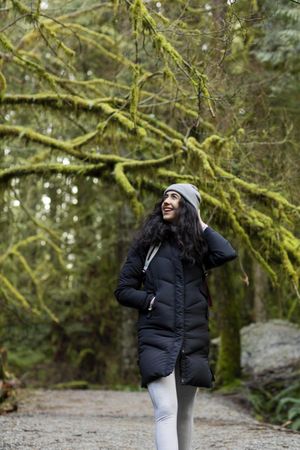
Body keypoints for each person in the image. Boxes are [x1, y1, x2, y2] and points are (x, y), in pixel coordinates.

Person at [114, 183, 237, 450]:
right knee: (167, 408)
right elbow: (122, 290)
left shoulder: (199, 248)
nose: (166, 201)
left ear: (189, 207)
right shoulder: (148, 246)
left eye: (175, 197)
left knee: (185, 412)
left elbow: (227, 253)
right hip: (156, 334)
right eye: (166, 196)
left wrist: (200, 223)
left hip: (192, 338)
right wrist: (151, 301)